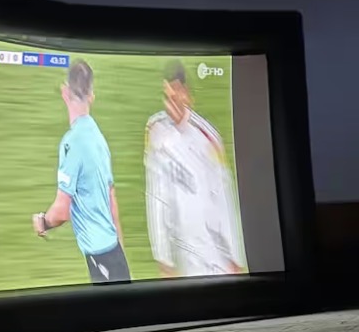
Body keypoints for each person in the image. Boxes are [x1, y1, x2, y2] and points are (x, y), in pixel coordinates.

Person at [143, 61, 245, 278]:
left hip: (212, 253)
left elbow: (223, 198)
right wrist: (163, 258)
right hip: (181, 254)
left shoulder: (207, 138)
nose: (171, 104)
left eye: (175, 96)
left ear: (187, 94)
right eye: (167, 97)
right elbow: (156, 197)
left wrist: (234, 257)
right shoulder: (156, 131)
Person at [32, 60, 130, 283]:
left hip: (99, 255)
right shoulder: (99, 138)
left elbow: (61, 212)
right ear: (91, 96)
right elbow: (111, 198)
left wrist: (43, 222)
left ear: (65, 92)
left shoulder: (71, 143)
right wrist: (120, 250)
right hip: (114, 252)